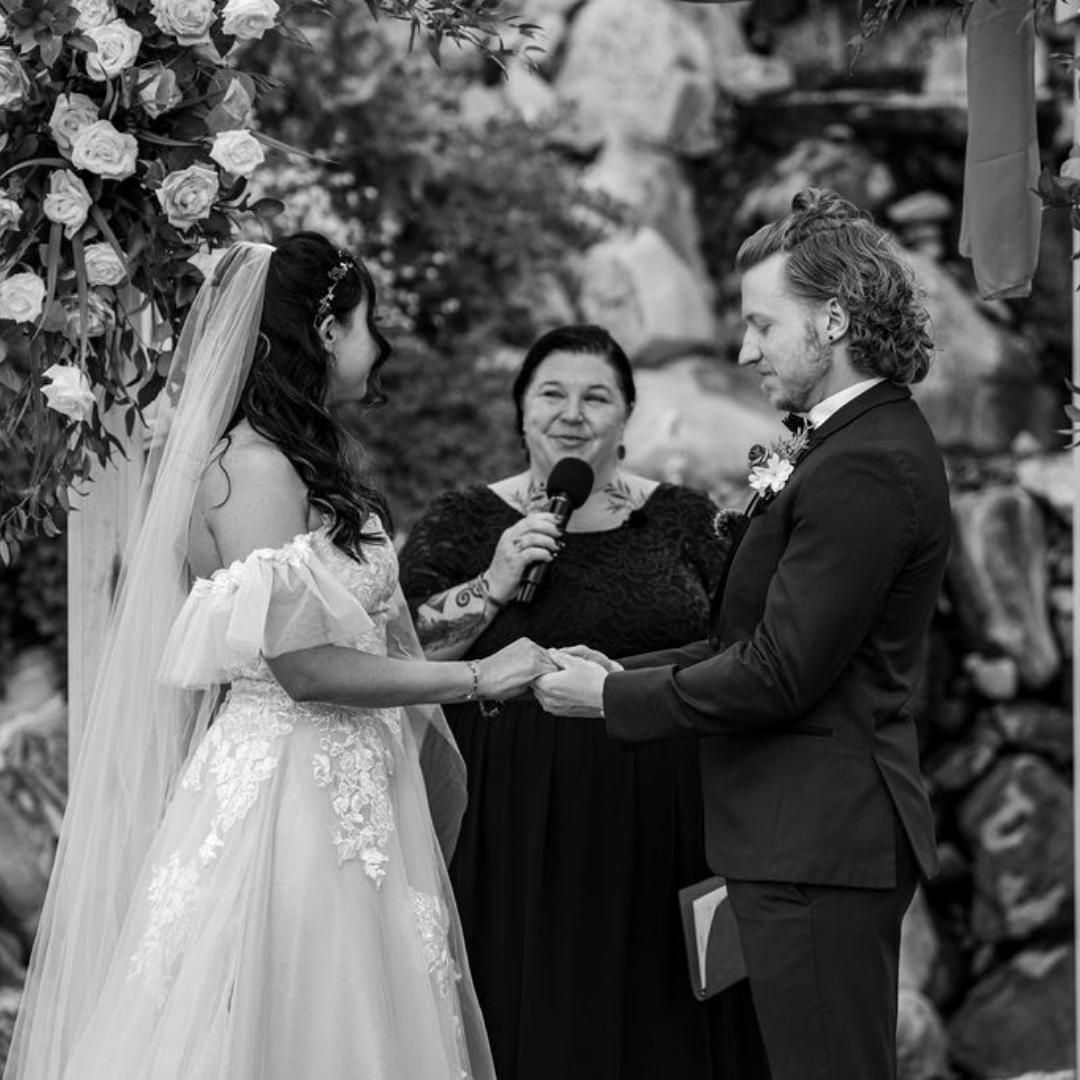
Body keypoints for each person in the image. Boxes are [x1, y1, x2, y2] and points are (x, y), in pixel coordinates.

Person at [4, 234, 555, 1080]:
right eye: (371, 324)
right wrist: (480, 678)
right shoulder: (256, 470)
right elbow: (305, 668)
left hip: (350, 791)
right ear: (327, 332)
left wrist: (490, 588)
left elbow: (371, 634)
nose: (383, 346)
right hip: (291, 803)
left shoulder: (305, 463)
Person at [534, 190, 950, 1080]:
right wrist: (615, 668)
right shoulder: (837, 445)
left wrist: (609, 699)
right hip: (795, 838)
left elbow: (779, 672)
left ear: (833, 319)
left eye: (762, 324)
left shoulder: (868, 462)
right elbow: (747, 633)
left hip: (819, 846)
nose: (744, 351)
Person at [398, 324, 769, 1080]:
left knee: (659, 1022)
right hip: (513, 821)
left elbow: (743, 646)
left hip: (664, 813)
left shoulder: (686, 519)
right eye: (552, 394)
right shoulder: (465, 520)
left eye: (596, 397)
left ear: (626, 414)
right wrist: (492, 584)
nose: (572, 414)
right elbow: (405, 657)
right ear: (520, 410)